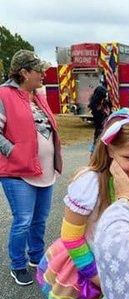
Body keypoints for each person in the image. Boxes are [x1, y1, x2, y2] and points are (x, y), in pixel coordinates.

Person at [36, 108, 129, 299]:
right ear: (110, 151)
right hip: (87, 266)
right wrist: (100, 279)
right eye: (127, 157)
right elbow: (71, 238)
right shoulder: (91, 183)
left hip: (121, 267)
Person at [0, 50, 62, 286]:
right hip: (17, 171)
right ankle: (18, 264)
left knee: (40, 218)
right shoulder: (4, 94)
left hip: (43, 170)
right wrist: (12, 151)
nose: (44, 74)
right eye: (39, 70)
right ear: (24, 72)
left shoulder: (38, 96)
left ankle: (36, 257)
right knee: (23, 219)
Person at [88, 85, 112, 154]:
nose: (106, 97)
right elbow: (99, 119)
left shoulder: (106, 104)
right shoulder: (96, 107)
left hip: (108, 128)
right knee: (97, 149)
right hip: (100, 130)